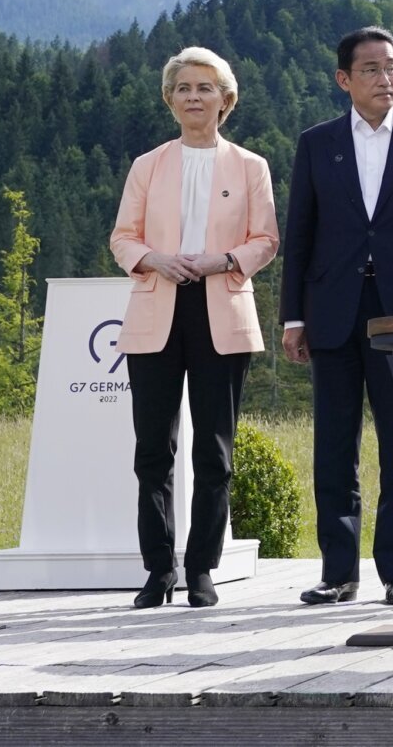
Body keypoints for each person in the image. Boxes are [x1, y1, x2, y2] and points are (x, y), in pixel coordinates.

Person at [279, 26, 393, 607]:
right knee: (335, 445)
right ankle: (338, 572)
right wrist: (292, 318)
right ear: (344, 79)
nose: (386, 78)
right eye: (371, 69)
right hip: (332, 312)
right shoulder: (317, 143)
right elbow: (299, 235)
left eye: (392, 67)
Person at [110, 47, 279, 610]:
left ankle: (202, 568)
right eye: (183, 87)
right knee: (152, 451)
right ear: (169, 99)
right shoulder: (147, 165)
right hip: (156, 311)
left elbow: (266, 241)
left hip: (221, 311)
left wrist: (221, 260)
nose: (194, 97)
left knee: (214, 450)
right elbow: (122, 238)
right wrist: (154, 259)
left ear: (226, 100)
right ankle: (158, 569)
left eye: (205, 88)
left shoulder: (251, 166)